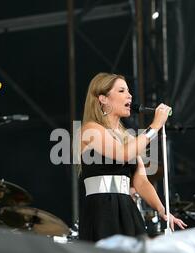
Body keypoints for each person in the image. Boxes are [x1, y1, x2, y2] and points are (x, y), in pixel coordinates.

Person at [78, 72, 186, 242]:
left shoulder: (127, 137)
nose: (129, 95)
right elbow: (123, 154)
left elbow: (141, 180)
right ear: (103, 99)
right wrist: (155, 126)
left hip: (126, 208)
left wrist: (162, 209)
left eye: (128, 91)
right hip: (102, 209)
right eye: (121, 91)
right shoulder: (91, 129)